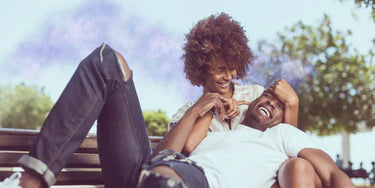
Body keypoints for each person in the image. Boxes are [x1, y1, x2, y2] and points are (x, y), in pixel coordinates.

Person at [0, 44, 354, 188]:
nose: (271, 104)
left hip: (182, 182)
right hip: (150, 172)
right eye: (267, 96)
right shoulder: (208, 125)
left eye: (278, 106)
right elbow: (166, 154)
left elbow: (331, 173)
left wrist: (289, 102)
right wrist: (204, 107)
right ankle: (30, 180)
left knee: (168, 178)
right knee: (107, 60)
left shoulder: (281, 137)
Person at [168, 12, 318, 187]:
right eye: (220, 69)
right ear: (201, 68)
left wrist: (293, 104)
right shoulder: (186, 114)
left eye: (232, 68)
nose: (229, 76)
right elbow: (176, 153)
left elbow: (286, 146)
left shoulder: (256, 96)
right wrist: (208, 108)